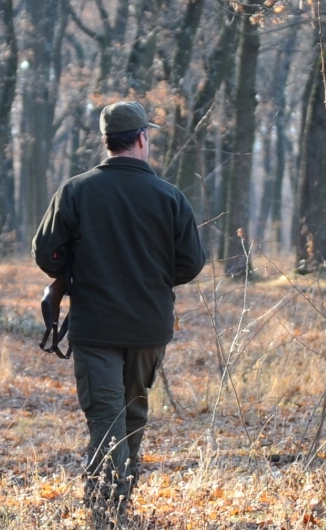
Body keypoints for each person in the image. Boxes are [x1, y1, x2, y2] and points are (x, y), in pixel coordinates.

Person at [32, 101, 205, 519]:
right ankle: (115, 505)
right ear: (142, 138)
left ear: (106, 141)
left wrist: (74, 270)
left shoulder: (76, 191)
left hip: (95, 327)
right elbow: (191, 264)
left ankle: (106, 510)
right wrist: (152, 277)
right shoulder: (170, 197)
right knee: (131, 412)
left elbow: (45, 253)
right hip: (149, 326)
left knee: (107, 416)